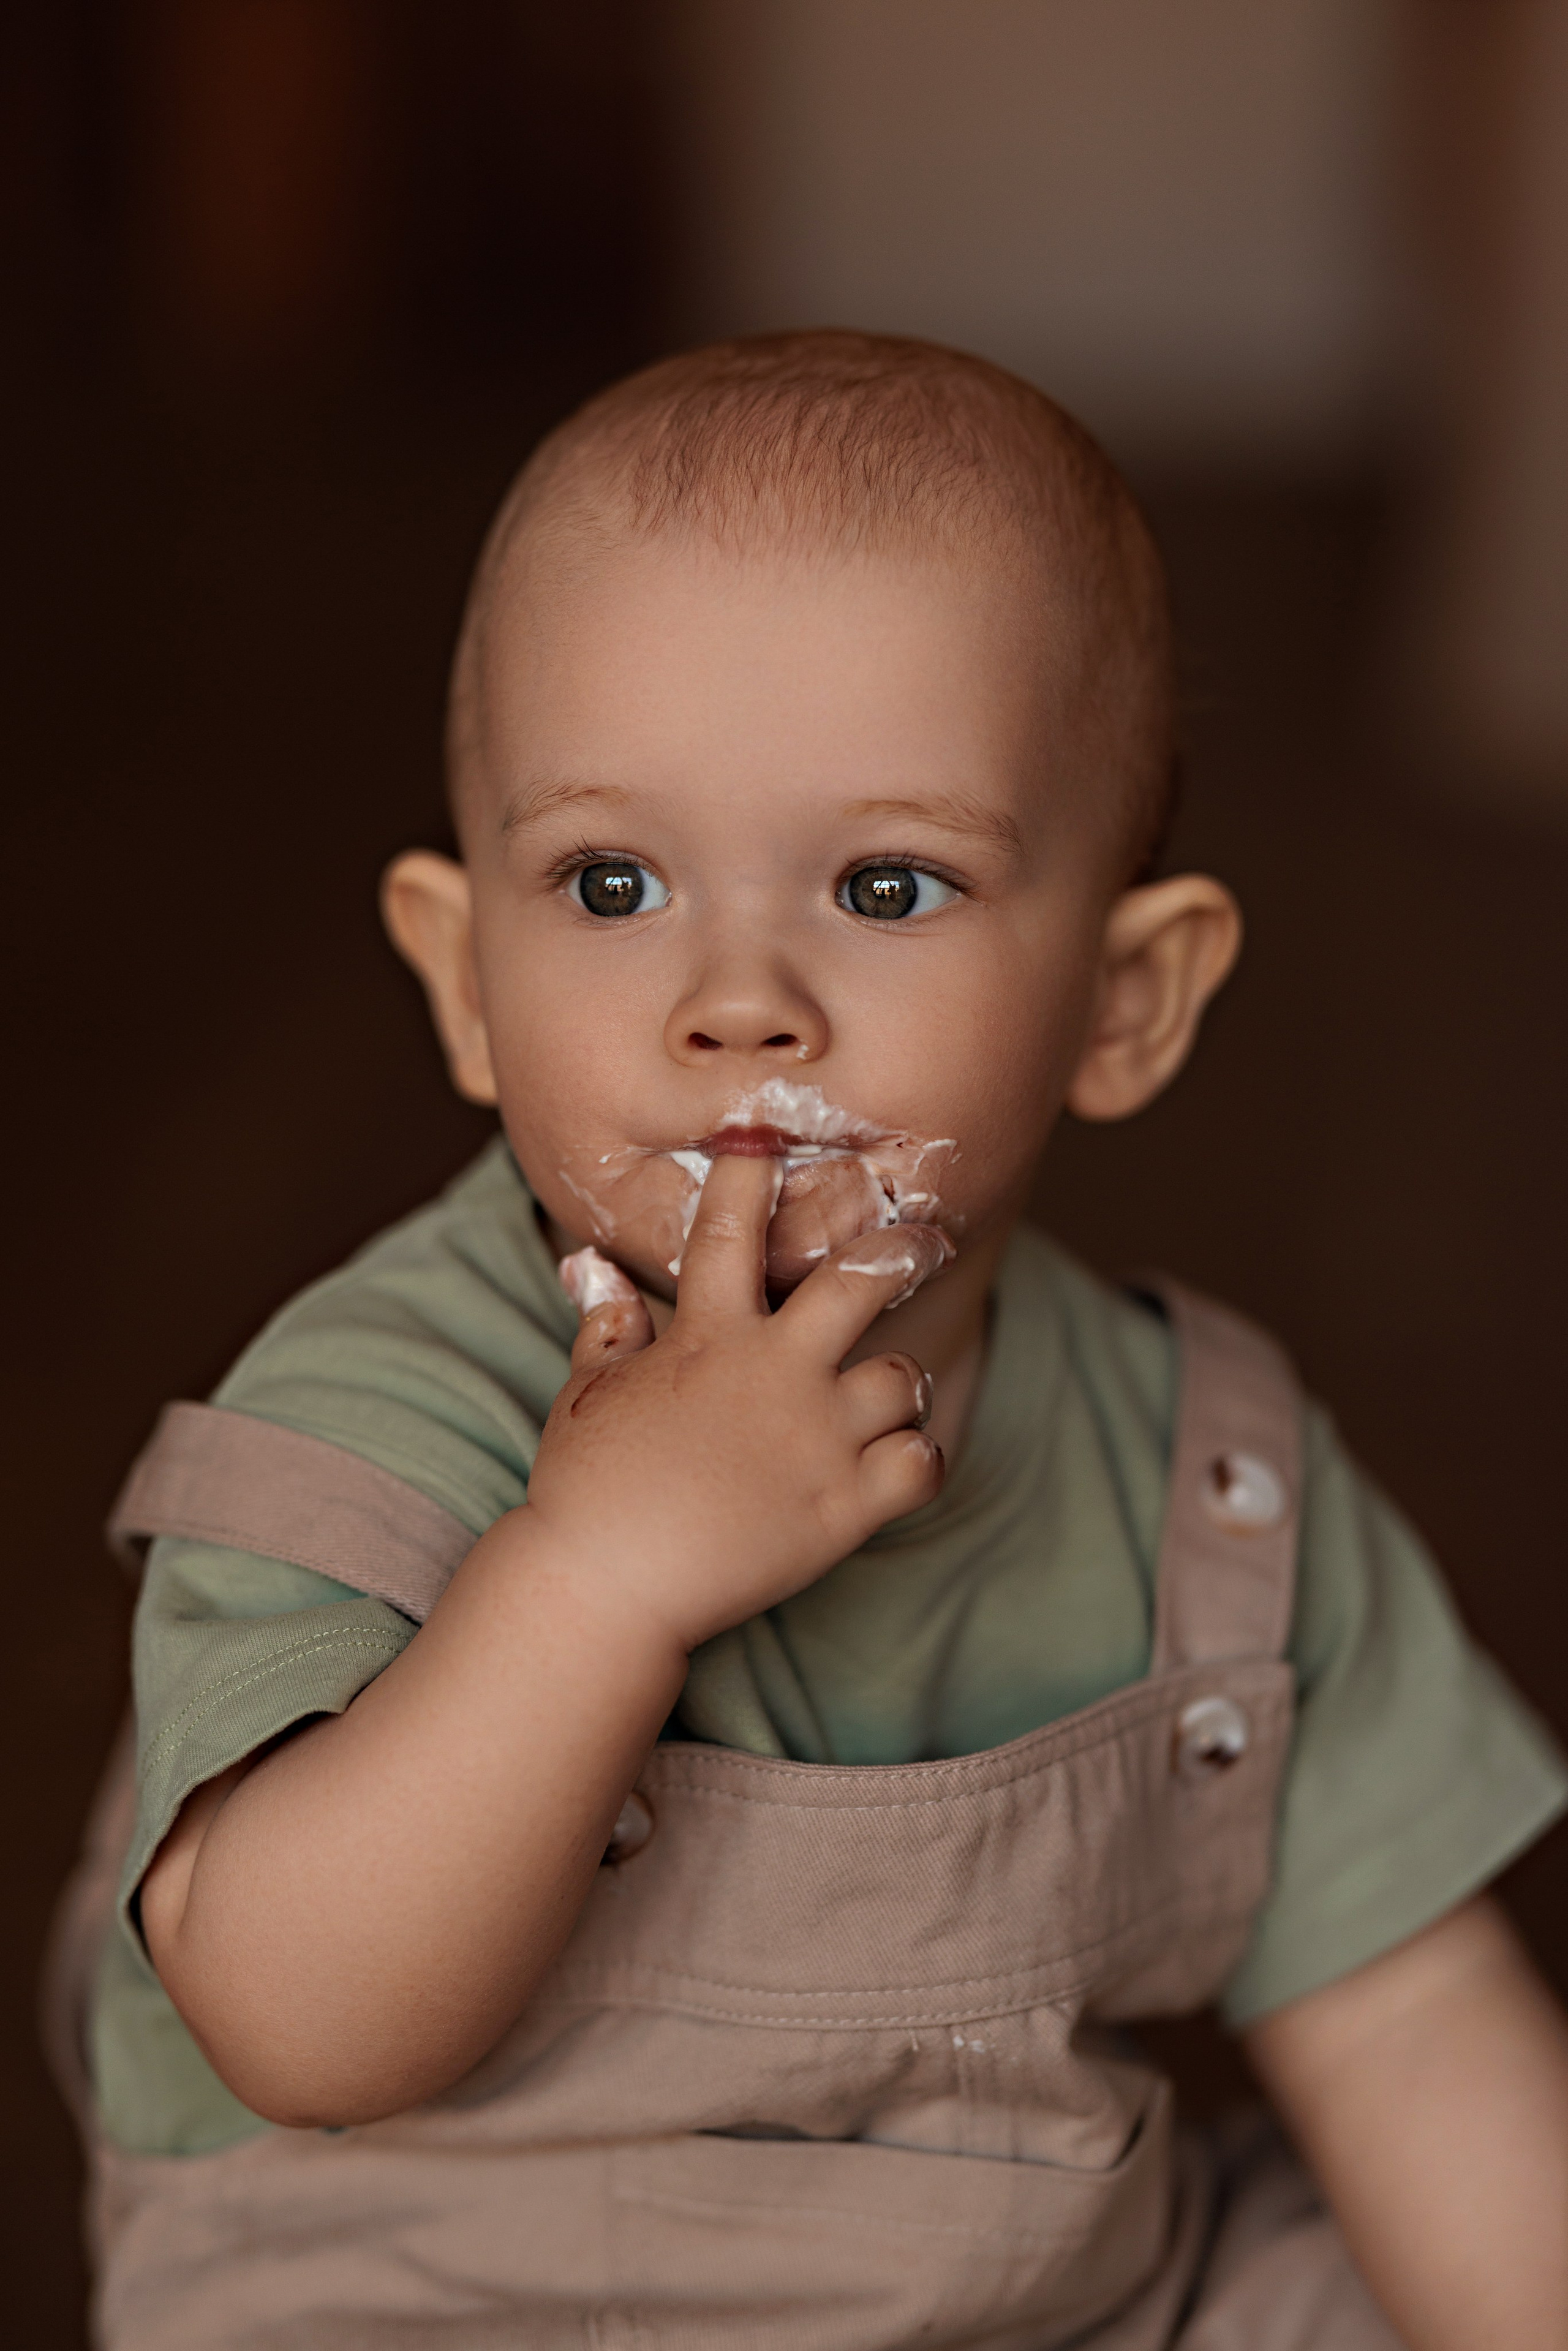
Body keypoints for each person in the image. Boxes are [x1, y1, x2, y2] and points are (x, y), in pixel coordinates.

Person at [56, 331, 1568, 2349]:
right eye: (612, 881)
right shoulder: (378, 1416)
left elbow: (1409, 2026)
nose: (738, 998)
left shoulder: (1215, 1484)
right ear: (465, 983)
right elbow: (296, 2022)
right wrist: (591, 1582)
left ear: (1126, 1004)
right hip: (425, 2292)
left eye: (884, 880)